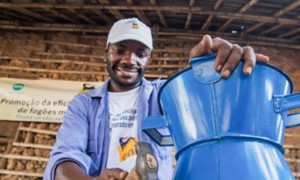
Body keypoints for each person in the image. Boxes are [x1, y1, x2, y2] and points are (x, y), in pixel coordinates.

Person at [43, 18, 269, 180]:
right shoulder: (84, 104)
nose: (129, 60)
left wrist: (207, 70)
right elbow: (65, 157)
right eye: (120, 50)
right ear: (106, 52)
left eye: (140, 54)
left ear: (148, 59)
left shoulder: (164, 94)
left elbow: (203, 103)